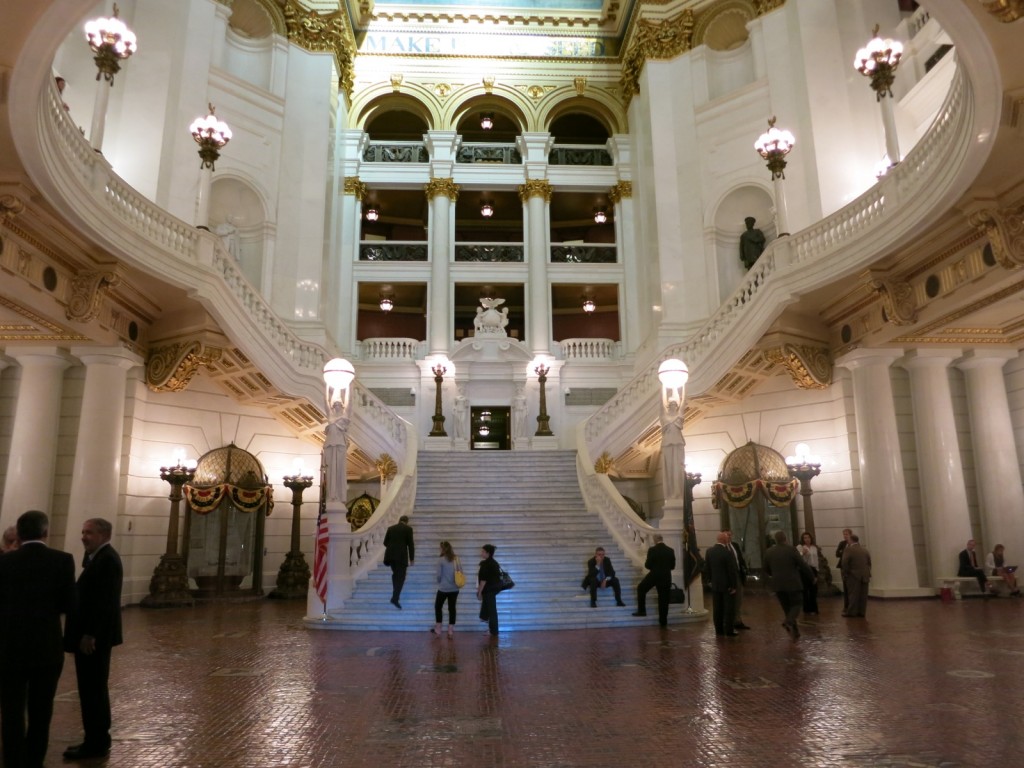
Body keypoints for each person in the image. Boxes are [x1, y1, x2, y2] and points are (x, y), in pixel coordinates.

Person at [0, 510, 76, 768]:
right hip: (46, 648)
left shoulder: (4, 563)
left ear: (19, 535)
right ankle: (34, 760)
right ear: (46, 532)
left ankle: (13, 760)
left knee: (11, 711)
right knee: (41, 710)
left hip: (9, 647)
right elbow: (68, 604)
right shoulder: (62, 560)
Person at [63, 518, 123, 761]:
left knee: (92, 690)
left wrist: (90, 634)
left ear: (103, 535)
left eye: (88, 532)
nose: (83, 536)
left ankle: (95, 743)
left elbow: (103, 604)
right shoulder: (100, 557)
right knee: (92, 689)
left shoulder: (107, 560)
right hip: (94, 636)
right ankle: (96, 739)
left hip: (94, 639)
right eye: (83, 531)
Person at [764, 531, 815, 638]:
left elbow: (766, 569)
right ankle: (789, 621)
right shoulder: (791, 549)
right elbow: (802, 564)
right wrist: (812, 576)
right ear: (785, 539)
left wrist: (774, 576)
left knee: (787, 608)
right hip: (793, 583)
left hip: (778, 585)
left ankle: (795, 631)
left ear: (776, 540)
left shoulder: (769, 552)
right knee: (797, 604)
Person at [633, 534, 676, 627]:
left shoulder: (652, 550)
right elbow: (672, 566)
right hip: (666, 576)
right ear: (662, 539)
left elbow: (647, 565)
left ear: (655, 540)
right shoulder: (670, 550)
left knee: (641, 588)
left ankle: (642, 611)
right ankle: (663, 621)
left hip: (654, 575)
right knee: (664, 599)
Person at [704, 532, 739, 636]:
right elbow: (731, 571)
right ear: (724, 540)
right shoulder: (727, 553)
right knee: (729, 608)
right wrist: (733, 586)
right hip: (727, 585)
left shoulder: (709, 551)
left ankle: (718, 630)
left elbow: (707, 568)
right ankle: (729, 630)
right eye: (727, 538)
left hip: (715, 584)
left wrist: (709, 581)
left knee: (717, 608)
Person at [383, 515, 415, 609]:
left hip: (391, 556)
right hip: (401, 557)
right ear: (407, 521)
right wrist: (412, 559)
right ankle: (395, 598)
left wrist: (393, 546)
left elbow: (385, 543)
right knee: (401, 577)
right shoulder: (408, 529)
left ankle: (395, 595)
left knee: (396, 575)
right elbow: (410, 545)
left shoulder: (391, 528)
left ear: (399, 520)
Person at [432, 541, 461, 638]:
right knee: (452, 608)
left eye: (440, 548)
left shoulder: (441, 560)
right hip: (454, 588)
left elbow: (439, 575)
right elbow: (460, 571)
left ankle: (438, 628)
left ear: (443, 549)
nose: (439, 549)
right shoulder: (456, 559)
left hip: (443, 588)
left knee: (438, 607)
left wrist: (439, 581)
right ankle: (450, 629)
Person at [723, 529, 750, 630]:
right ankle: (728, 622)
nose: (729, 537)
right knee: (729, 601)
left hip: (738, 575)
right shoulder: (722, 548)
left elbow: (740, 559)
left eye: (730, 535)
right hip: (728, 578)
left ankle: (737, 621)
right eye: (727, 535)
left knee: (739, 600)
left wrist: (745, 569)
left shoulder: (735, 545)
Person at [660, 399, 686, 500]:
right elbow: (660, 405)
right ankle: (670, 494)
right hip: (667, 444)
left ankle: (678, 493)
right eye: (671, 404)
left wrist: (684, 385)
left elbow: (683, 402)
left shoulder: (679, 415)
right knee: (669, 469)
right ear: (668, 406)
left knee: (678, 469)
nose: (673, 406)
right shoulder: (664, 417)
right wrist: (662, 385)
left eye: (675, 404)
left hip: (678, 443)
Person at [841, 534, 872, 617]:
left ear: (851, 540)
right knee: (863, 595)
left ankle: (852, 612)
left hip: (853, 575)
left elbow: (844, 562)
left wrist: (845, 573)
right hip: (865, 575)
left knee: (853, 594)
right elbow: (869, 562)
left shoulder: (848, 550)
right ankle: (862, 612)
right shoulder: (865, 550)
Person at [477, 544, 502, 636]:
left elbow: (483, 581)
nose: (481, 553)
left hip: (489, 590)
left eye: (483, 551)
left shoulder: (486, 564)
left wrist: (479, 592)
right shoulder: (494, 563)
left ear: (488, 553)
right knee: (490, 609)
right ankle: (490, 627)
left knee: (491, 611)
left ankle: (493, 631)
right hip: (493, 589)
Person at [797, 531, 821, 615]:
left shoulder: (814, 547)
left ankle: (814, 608)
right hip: (805, 570)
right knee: (805, 590)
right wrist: (802, 553)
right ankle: (806, 609)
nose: (807, 539)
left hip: (813, 569)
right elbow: (797, 556)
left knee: (813, 590)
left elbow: (816, 559)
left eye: (808, 537)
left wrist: (817, 570)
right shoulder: (800, 547)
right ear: (803, 539)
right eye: (805, 538)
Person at [836, 528, 853, 612]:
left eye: (846, 534)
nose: (845, 536)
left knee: (851, 587)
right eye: (844, 534)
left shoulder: (854, 544)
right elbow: (837, 554)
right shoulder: (842, 543)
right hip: (843, 567)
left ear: (850, 535)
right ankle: (846, 606)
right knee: (845, 586)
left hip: (852, 568)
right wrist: (844, 553)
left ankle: (852, 605)